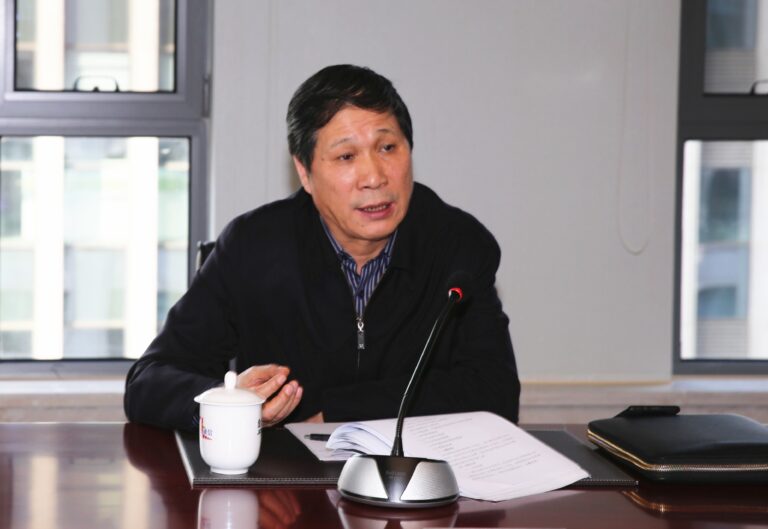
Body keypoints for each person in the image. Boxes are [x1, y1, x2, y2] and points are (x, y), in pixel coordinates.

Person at [124, 64, 520, 432]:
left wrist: (334, 413)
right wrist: (228, 401)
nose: (374, 177)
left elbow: (495, 393)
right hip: (286, 480)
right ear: (305, 172)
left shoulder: (458, 245)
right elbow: (149, 381)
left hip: (414, 478)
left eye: (387, 148)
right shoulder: (253, 247)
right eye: (346, 156)